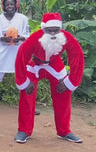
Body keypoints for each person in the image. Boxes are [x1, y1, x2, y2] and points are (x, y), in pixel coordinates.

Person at [14, 13, 84, 144]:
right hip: (35, 64)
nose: (52, 33)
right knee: (27, 93)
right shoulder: (34, 39)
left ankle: (64, 131)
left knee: (64, 92)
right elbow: (21, 58)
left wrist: (71, 82)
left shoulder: (67, 37)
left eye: (55, 30)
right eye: (49, 30)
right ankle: (24, 130)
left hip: (55, 64)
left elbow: (77, 57)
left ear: (60, 29)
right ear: (43, 29)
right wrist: (23, 81)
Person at [0, 0, 29, 112]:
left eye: (12, 4)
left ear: (16, 5)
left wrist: (20, 38)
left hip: (17, 52)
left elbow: (27, 34)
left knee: (22, 76)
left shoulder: (23, 19)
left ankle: (26, 104)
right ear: (3, 7)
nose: (10, 6)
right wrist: (2, 38)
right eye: (7, 5)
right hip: (2, 52)